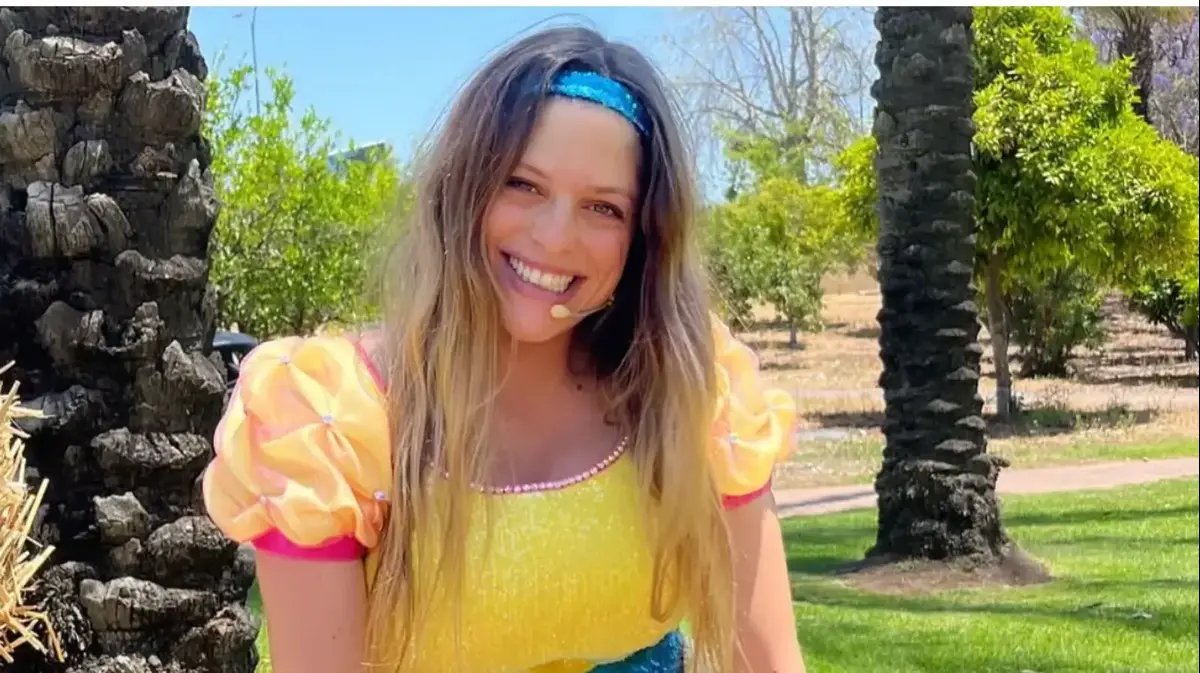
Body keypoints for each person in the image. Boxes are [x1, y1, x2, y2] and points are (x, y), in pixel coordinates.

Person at [202, 25, 805, 673]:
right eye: (523, 184)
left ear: (644, 239)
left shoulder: (695, 391)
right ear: (463, 188)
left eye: (603, 208)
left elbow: (769, 663)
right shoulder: (326, 422)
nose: (556, 235)